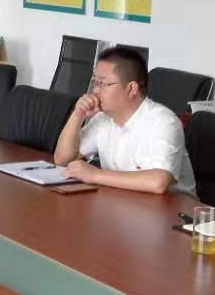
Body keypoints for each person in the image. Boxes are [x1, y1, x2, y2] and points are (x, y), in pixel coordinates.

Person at [51, 46, 196, 195]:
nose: (95, 91)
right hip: (125, 201)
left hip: (174, 207)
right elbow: (62, 160)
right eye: (95, 82)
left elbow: (159, 182)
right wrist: (77, 115)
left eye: (103, 84)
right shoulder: (103, 119)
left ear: (131, 89)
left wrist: (95, 175)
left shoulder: (164, 122)